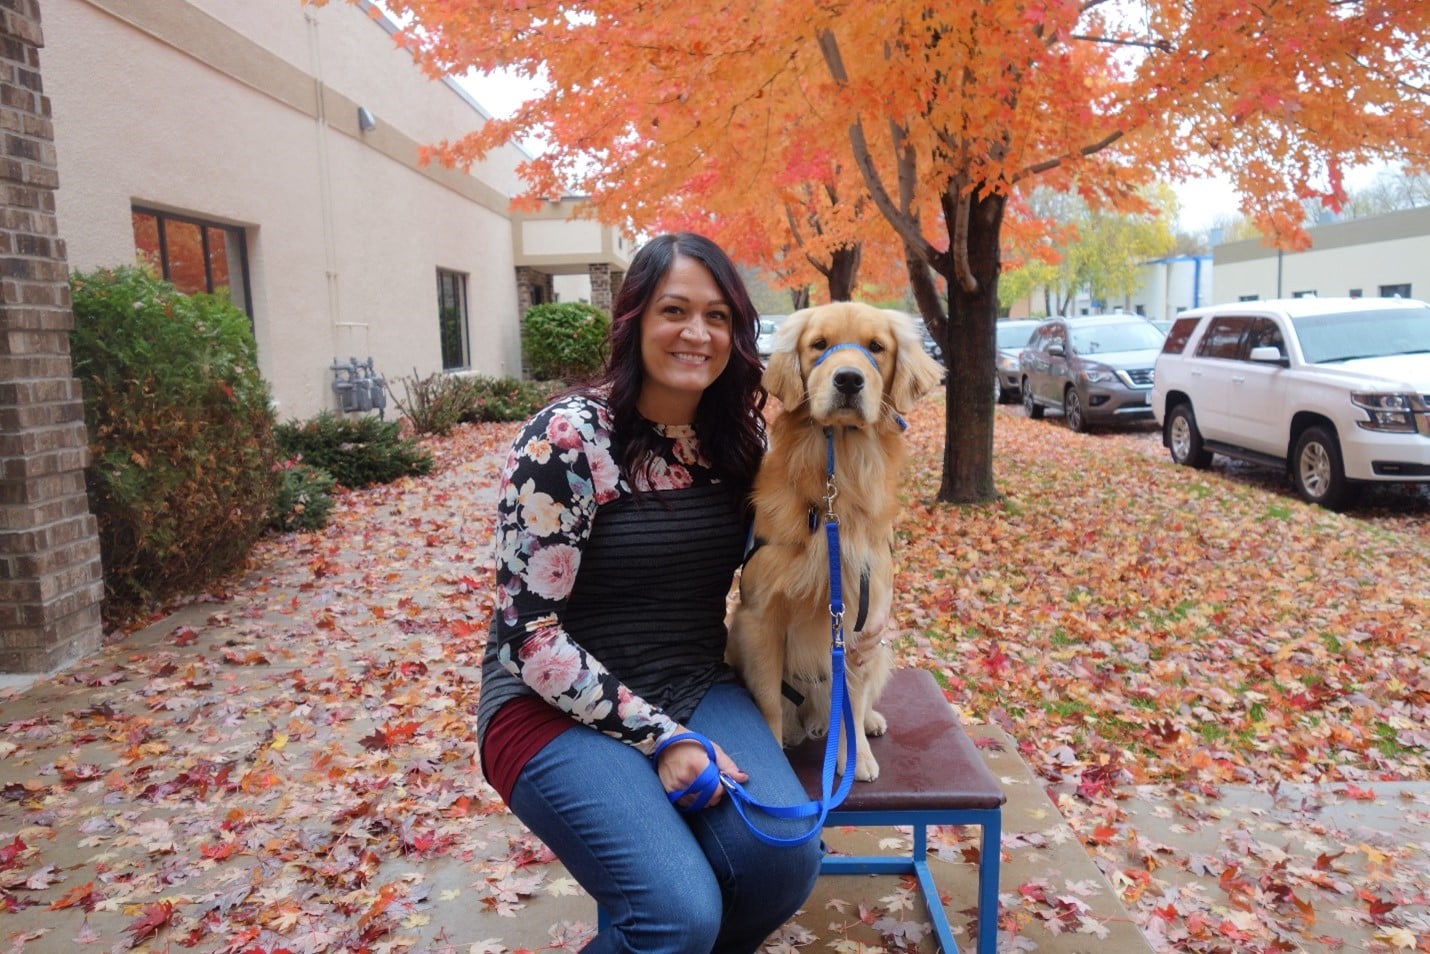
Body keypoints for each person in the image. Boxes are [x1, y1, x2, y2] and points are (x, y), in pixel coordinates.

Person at [477, 233, 824, 954]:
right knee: (676, 913)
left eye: (718, 315)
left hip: (693, 682)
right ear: (634, 319)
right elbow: (525, 635)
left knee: (783, 858)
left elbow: (790, 562)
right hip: (548, 706)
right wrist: (660, 737)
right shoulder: (566, 441)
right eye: (674, 310)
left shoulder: (738, 443)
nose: (697, 333)